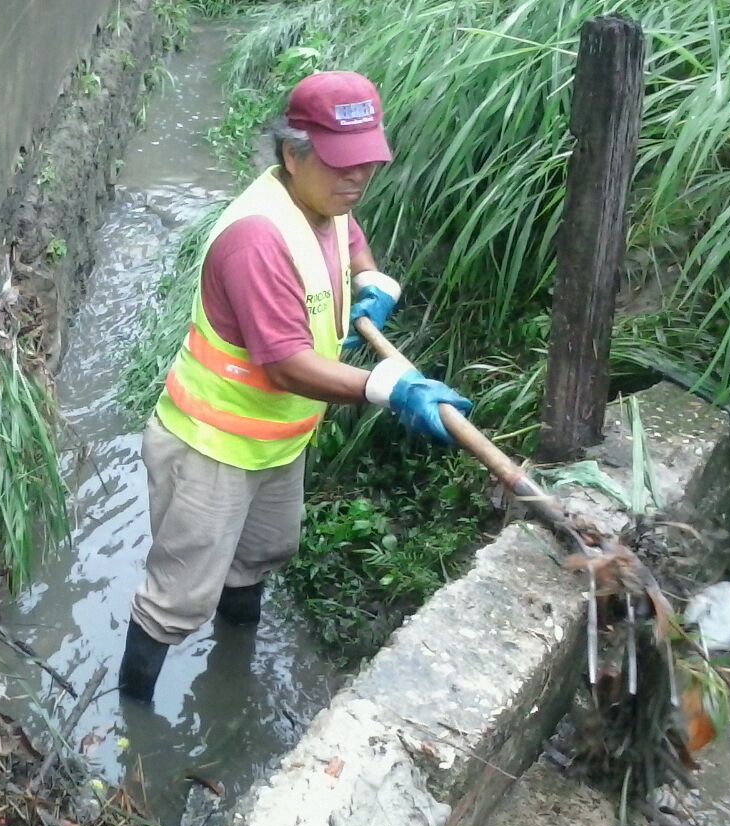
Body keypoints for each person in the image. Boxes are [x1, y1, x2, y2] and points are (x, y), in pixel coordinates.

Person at [118, 71, 473, 702]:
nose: (356, 181)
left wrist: (371, 282)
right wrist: (392, 388)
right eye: (343, 166)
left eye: (366, 165)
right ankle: (135, 722)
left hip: (278, 442)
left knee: (260, 557)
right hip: (211, 448)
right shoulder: (255, 238)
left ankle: (231, 677)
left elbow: (351, 240)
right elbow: (284, 363)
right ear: (291, 153)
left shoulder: (328, 203)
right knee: (176, 599)